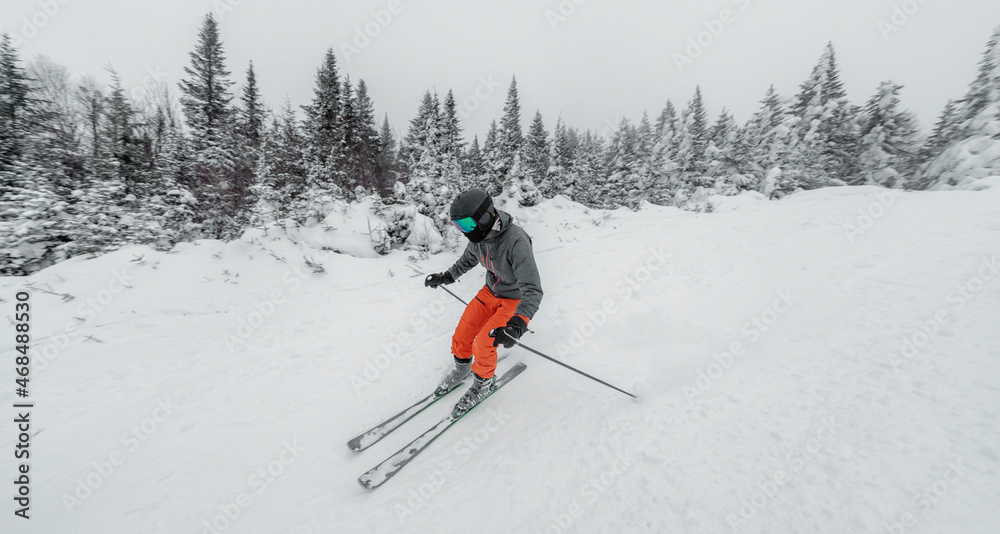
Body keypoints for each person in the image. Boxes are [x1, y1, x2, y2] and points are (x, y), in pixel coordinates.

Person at [424, 189, 543, 416]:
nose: (465, 232)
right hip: (489, 292)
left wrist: (518, 322)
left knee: (484, 343)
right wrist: (447, 276)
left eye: (468, 225)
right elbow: (468, 259)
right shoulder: (479, 239)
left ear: (486, 217)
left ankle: (483, 383)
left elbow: (533, 289)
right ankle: (462, 369)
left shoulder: (516, 241)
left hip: (513, 299)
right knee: (462, 334)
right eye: (459, 227)